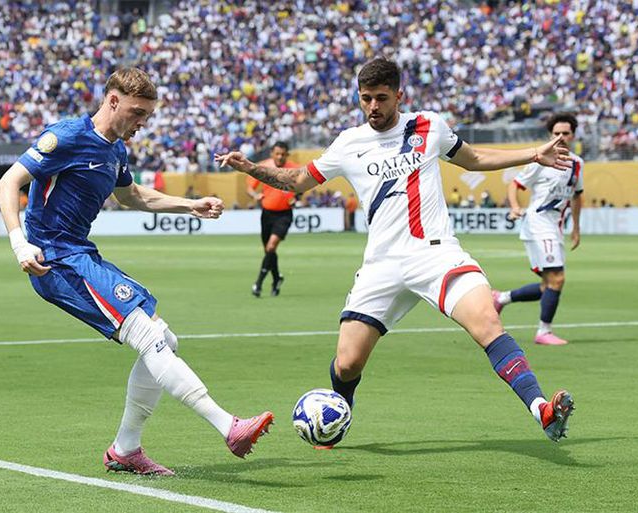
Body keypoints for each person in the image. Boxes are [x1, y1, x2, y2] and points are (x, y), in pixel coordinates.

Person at [216, 57, 575, 444]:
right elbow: (299, 180)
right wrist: (252, 168)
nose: (373, 107)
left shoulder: (428, 125)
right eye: (366, 99)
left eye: (381, 98)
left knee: (487, 323)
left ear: (399, 95)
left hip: (436, 254)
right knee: (348, 362)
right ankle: (338, 418)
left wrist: (533, 153)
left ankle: (542, 409)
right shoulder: (349, 143)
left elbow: (474, 159)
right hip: (382, 265)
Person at [0, 67, 273, 477]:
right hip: (55, 258)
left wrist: (189, 205)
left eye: (146, 114)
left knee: (164, 338)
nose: (142, 123)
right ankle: (227, 425)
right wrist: (21, 242)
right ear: (112, 101)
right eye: (137, 112)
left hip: (80, 254)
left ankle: (126, 449)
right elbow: (8, 182)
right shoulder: (67, 136)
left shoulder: (116, 151)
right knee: (148, 335)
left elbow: (132, 196)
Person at [492, 113, 584, 346]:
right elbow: (515, 184)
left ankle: (501, 298)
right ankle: (544, 331)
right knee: (558, 278)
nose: (561, 137)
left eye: (566, 133)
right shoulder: (541, 160)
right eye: (556, 133)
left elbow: (577, 196)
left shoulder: (577, 164)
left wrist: (576, 228)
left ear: (573, 135)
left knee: (548, 284)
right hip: (539, 224)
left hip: (555, 228)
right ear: (549, 135)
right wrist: (514, 206)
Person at [245, 141, 299, 297]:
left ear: (287, 155)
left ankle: (258, 283)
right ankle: (276, 279)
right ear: (272, 154)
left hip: (284, 214)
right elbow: (249, 187)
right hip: (267, 214)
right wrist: (255, 195)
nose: (280, 157)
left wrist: (296, 196)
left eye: (283, 154)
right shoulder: (264, 167)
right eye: (277, 154)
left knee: (271, 247)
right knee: (269, 251)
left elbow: (305, 185)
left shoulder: (294, 168)